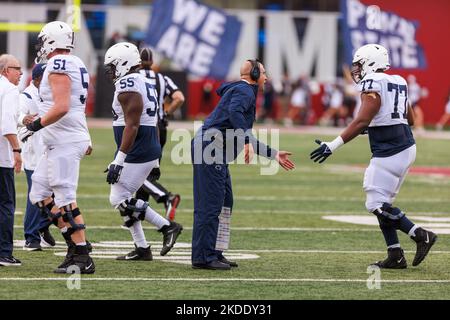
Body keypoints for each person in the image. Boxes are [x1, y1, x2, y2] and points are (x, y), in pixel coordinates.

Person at [310, 44, 437, 269]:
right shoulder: (399, 81)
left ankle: (420, 234)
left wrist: (333, 145)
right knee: (383, 204)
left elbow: (362, 120)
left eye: (359, 65)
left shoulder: (373, 83)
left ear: (370, 62)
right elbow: (410, 119)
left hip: (390, 150)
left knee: (375, 203)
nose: (356, 70)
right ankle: (395, 254)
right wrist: (376, 124)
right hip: (406, 145)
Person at [191, 59, 295, 270]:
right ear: (255, 74)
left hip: (214, 149)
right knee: (211, 205)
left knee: (225, 202)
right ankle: (203, 257)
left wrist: (273, 154)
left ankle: (215, 251)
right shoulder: (245, 91)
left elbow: (243, 130)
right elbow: (235, 114)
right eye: (264, 72)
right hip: (210, 148)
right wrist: (246, 141)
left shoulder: (242, 90)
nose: (266, 77)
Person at [26, 21, 95, 274]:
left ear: (52, 40)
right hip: (62, 138)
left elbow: (63, 105)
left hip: (64, 140)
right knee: (40, 194)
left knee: (65, 197)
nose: (41, 46)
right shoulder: (75, 62)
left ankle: (83, 255)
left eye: (44, 40)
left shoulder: (58, 63)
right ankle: (74, 246)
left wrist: (36, 124)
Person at [104, 42, 183, 261]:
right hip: (146, 145)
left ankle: (167, 227)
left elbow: (132, 125)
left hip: (138, 147)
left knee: (118, 198)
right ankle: (142, 248)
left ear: (123, 63)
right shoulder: (144, 80)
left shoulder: (128, 83)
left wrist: (119, 159)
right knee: (123, 196)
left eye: (113, 65)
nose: (110, 70)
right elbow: (153, 120)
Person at [135, 47, 184, 221]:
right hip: (160, 127)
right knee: (149, 171)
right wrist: (167, 112)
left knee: (134, 172)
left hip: (142, 128)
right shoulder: (162, 79)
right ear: (152, 62)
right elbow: (179, 97)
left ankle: (167, 197)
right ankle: (138, 214)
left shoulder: (134, 78)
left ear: (138, 62)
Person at [18, 63, 56, 251]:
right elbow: (17, 115)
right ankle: (31, 237)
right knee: (36, 195)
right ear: (37, 79)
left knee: (55, 193)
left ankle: (43, 227)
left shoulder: (50, 94)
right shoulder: (27, 95)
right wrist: (23, 120)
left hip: (50, 149)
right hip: (34, 152)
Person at [0, 54, 23, 266]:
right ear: (6, 70)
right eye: (17, 68)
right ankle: (4, 253)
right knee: (6, 205)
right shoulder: (9, 89)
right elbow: (7, 124)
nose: (21, 72)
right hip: (1, 158)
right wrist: (17, 149)